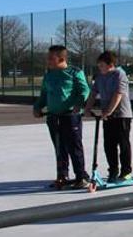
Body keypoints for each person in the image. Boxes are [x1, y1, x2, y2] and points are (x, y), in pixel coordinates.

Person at [33, 45, 90, 189]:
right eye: (48, 58)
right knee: (59, 148)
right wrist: (37, 107)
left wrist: (79, 104)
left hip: (70, 117)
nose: (48, 61)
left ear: (62, 58)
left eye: (51, 58)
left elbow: (85, 90)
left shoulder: (75, 72)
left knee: (74, 147)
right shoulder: (49, 75)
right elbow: (44, 95)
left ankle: (81, 177)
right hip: (53, 117)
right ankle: (62, 176)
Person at [84, 51, 133, 183]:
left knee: (123, 144)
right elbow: (93, 93)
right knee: (109, 145)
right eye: (99, 66)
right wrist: (87, 109)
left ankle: (126, 172)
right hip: (107, 116)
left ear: (110, 64)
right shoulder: (100, 77)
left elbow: (118, 94)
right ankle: (113, 171)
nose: (100, 68)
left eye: (102, 65)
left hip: (122, 115)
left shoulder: (119, 74)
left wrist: (108, 111)